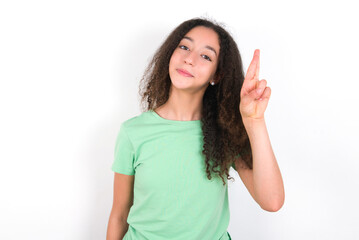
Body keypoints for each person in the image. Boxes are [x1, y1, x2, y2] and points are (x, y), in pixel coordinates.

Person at [106, 17, 285, 240]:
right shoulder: (133, 132)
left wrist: (254, 120)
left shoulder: (225, 131)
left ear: (216, 75)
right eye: (184, 47)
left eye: (205, 56)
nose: (189, 59)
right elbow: (119, 214)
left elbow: (272, 201)